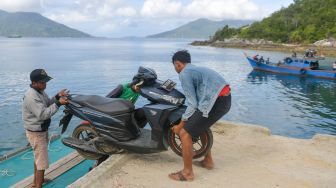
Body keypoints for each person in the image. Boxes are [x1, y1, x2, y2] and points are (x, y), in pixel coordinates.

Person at [169, 50, 231, 181]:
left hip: (217, 101)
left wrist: (180, 125)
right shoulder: (195, 70)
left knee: (185, 133)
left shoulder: (184, 73)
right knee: (200, 126)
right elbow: (197, 103)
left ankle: (187, 173)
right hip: (224, 99)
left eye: (174, 66)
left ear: (178, 64)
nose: (175, 68)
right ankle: (208, 160)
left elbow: (192, 104)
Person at [22, 69, 68, 188]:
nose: (45, 84)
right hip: (36, 133)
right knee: (41, 161)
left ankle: (38, 180)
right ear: (34, 82)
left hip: (40, 130)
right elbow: (43, 114)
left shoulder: (40, 91)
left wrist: (58, 96)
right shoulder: (31, 96)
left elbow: (47, 103)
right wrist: (59, 104)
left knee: (38, 158)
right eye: (42, 82)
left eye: (46, 81)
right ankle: (38, 185)